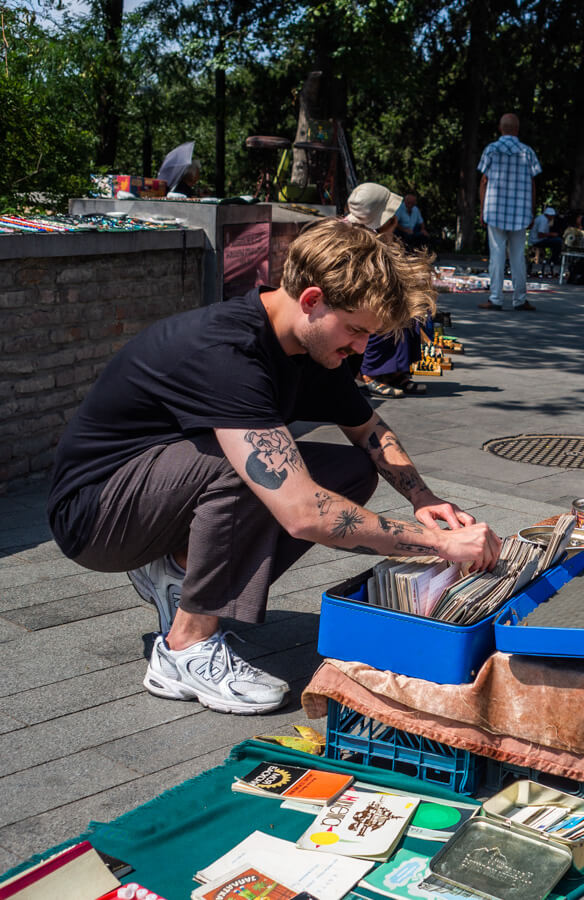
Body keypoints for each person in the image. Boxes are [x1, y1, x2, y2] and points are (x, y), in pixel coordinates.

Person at [46, 218, 502, 714]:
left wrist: (425, 499)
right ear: (311, 300)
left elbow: (370, 430)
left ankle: (178, 568)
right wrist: (439, 543)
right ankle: (183, 648)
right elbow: (302, 512)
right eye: (354, 331)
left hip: (154, 495)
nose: (359, 350)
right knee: (258, 469)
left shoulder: (312, 346)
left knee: (350, 472)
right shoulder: (228, 352)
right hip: (96, 516)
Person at [342, 183, 428, 398]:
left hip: (373, 294)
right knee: (388, 316)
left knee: (413, 315)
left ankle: (394, 372)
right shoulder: (352, 236)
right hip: (355, 302)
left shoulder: (380, 233)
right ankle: (369, 374)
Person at [478, 112, 542, 312]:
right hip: (520, 212)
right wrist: (532, 211)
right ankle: (520, 299)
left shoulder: (491, 150)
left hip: (495, 211)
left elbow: (484, 181)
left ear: (500, 128)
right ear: (517, 129)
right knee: (518, 257)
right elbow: (533, 183)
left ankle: (496, 298)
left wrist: (482, 210)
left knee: (496, 256)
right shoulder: (527, 152)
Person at [530, 206, 561, 276]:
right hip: (537, 240)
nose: (552, 218)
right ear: (549, 215)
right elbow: (540, 235)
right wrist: (551, 234)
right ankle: (554, 260)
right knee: (558, 242)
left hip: (537, 239)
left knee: (556, 241)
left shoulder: (542, 218)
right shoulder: (543, 220)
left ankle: (553, 259)